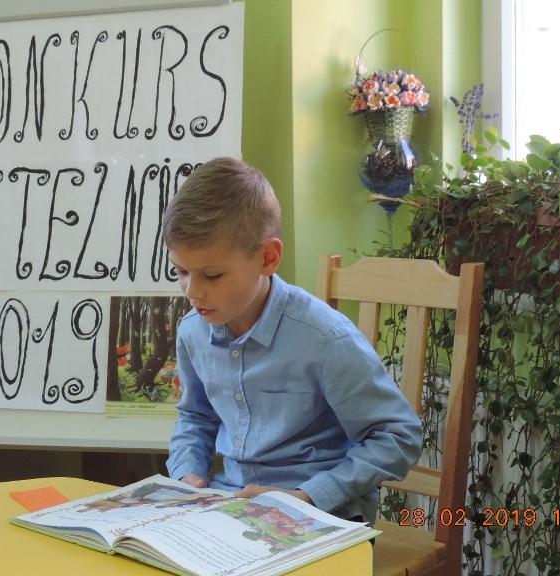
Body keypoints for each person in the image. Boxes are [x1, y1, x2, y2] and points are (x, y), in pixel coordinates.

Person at [162, 156, 422, 523]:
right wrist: (186, 472)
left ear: (268, 258)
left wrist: (308, 497)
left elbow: (398, 436)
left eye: (213, 275)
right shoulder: (193, 331)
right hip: (232, 504)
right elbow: (196, 416)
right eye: (181, 272)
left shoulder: (325, 338)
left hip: (323, 513)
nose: (192, 291)